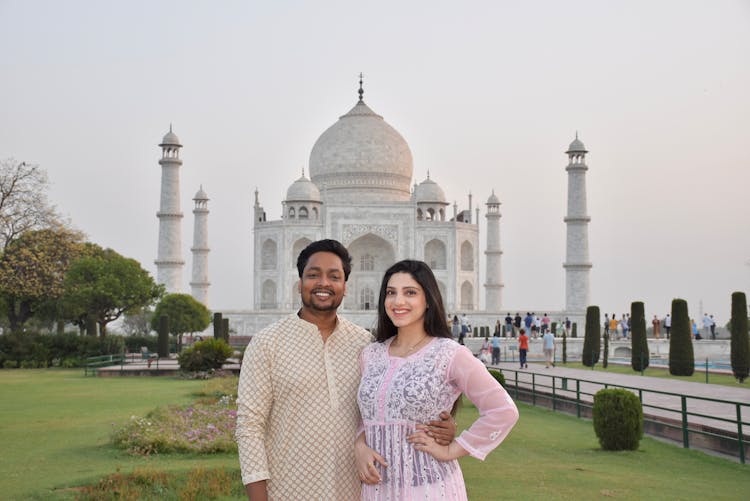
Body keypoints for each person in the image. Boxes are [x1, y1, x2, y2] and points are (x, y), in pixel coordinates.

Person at [236, 240, 455, 500]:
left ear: (345, 287)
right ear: (300, 283)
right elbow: (249, 427)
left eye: (334, 276)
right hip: (288, 491)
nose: (323, 284)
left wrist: (443, 426)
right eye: (313, 275)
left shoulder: (365, 346)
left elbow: (395, 404)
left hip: (356, 491)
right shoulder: (267, 343)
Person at [354, 260, 519, 500]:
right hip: (377, 489)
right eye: (391, 293)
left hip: (430, 488)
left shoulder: (449, 354)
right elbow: (368, 413)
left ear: (428, 299)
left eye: (410, 292)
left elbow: (503, 410)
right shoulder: (371, 355)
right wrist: (359, 446)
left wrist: (452, 449)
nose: (398, 301)